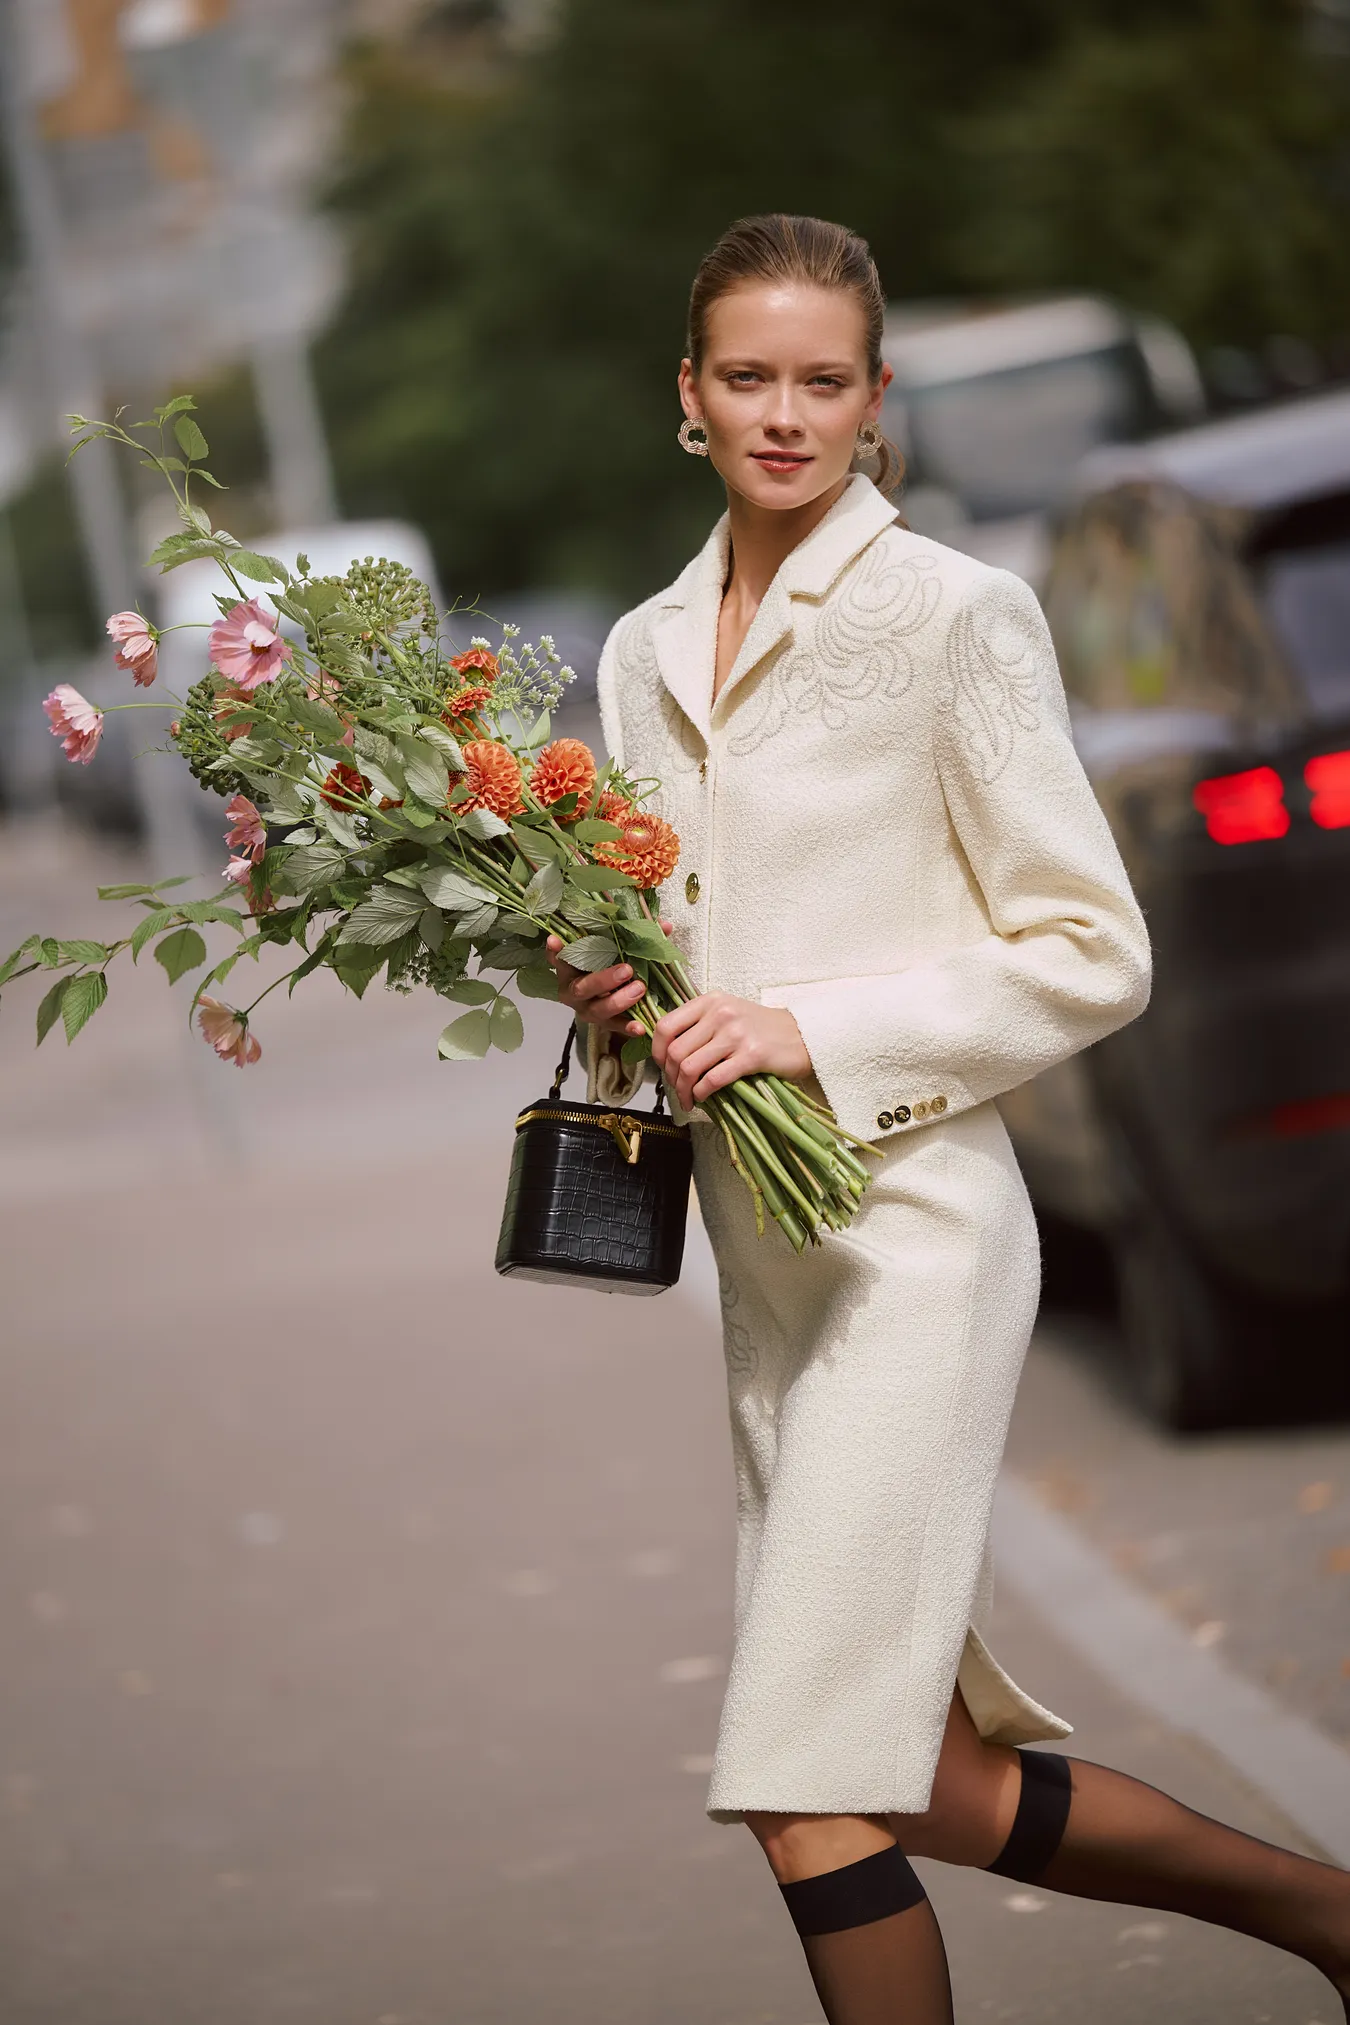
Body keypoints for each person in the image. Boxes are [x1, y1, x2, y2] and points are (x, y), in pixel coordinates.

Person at [545, 213, 1350, 2023]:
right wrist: (614, 998)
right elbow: (680, 966)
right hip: (771, 1274)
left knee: (805, 1790)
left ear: (873, 397)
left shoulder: (953, 616)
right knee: (917, 1775)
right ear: (687, 397)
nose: (781, 413)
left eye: (818, 380)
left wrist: (803, 1028)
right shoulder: (640, 649)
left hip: (914, 1242)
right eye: (744, 377)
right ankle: (1327, 1916)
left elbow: (1089, 950)